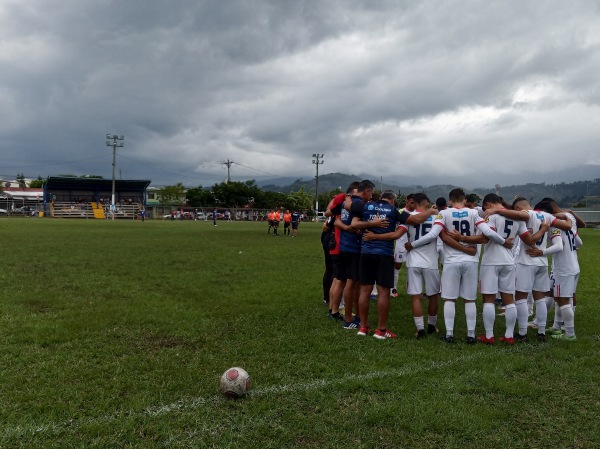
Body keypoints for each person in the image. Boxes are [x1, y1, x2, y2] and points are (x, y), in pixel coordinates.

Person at [408, 188, 510, 344]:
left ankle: (449, 334)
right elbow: (488, 233)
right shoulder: (473, 213)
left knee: (449, 299)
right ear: (464, 200)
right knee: (469, 300)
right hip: (471, 260)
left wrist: (413, 244)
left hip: (451, 261)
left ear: (450, 201)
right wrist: (504, 242)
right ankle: (470, 335)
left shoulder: (444, 213)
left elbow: (433, 234)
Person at [353, 189, 437, 339]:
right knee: (384, 292)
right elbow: (415, 221)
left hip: (365, 253)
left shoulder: (366, 206)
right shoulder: (393, 210)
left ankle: (363, 327)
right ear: (392, 200)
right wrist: (431, 212)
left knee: (364, 290)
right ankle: (381, 330)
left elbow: (353, 223)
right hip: (384, 254)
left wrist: (371, 226)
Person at [492, 197, 572, 341]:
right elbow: (567, 226)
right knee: (540, 297)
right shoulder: (547, 216)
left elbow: (521, 215)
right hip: (541, 262)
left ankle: (522, 333)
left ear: (518, 209)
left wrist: (497, 210)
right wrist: (567, 216)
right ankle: (541, 332)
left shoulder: (527, 215)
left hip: (526, 260)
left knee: (521, 297)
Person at [454, 194, 528, 345]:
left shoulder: (491, 216)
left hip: (492, 261)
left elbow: (485, 238)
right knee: (509, 298)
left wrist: (463, 238)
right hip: (509, 261)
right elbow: (528, 238)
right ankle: (509, 335)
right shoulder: (516, 217)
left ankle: (489, 335)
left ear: (487, 205)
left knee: (488, 298)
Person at [527, 201, 582, 341]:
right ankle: (557, 326)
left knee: (563, 299)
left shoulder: (553, 225)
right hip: (573, 265)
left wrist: (541, 252)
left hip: (563, 269)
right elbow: (579, 243)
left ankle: (570, 334)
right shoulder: (568, 222)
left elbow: (558, 247)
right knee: (556, 295)